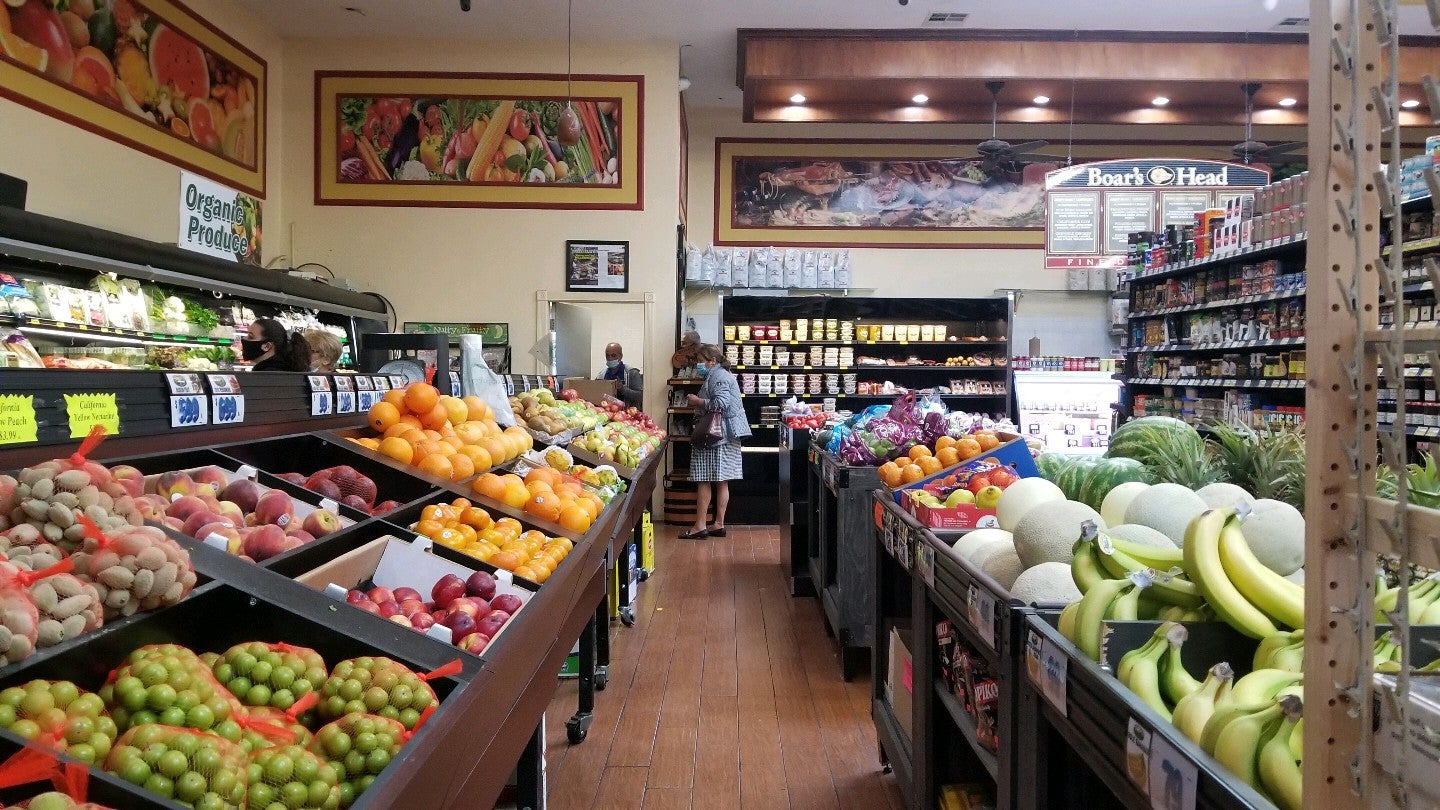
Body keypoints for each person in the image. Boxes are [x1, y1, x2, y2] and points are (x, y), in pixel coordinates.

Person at [681, 344, 750, 539]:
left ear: (712, 361)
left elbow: (721, 404)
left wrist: (698, 401)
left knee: (703, 478)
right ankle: (718, 524)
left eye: (701, 361)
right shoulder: (723, 374)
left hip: (715, 435)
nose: (699, 365)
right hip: (727, 434)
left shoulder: (718, 376)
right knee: (722, 480)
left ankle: (700, 525)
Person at [242, 318, 312, 372]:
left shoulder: (265, 376)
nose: (244, 339)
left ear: (267, 346)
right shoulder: (287, 367)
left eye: (251, 337)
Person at [600, 342, 643, 408]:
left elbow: (640, 396)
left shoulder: (632, 373)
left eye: (613, 355)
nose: (610, 358)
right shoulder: (602, 374)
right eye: (607, 356)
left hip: (628, 412)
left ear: (621, 356)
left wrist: (622, 388)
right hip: (607, 412)